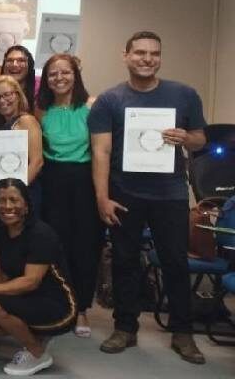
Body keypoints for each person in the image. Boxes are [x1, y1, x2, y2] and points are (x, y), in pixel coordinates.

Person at [88, 31, 207, 363]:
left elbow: (200, 139)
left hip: (170, 194)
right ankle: (125, 327)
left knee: (175, 262)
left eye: (154, 53)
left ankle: (183, 332)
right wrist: (102, 197)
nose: (147, 59)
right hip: (124, 193)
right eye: (140, 52)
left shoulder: (184, 94)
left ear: (160, 58)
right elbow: (101, 152)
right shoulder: (109, 100)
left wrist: (186, 138)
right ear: (125, 55)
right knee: (124, 261)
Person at [0, 178, 76, 376]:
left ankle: (37, 353)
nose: (7, 206)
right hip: (27, 298)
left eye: (14, 200)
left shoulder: (41, 234)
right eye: (1, 200)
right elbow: (2, 272)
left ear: (27, 205)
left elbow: (31, 282)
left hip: (59, 306)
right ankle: (37, 337)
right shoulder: (1, 232)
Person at [35, 53, 102, 338]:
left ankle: (82, 308)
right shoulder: (41, 111)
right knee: (56, 244)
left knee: (85, 246)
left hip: (85, 181)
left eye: (65, 72)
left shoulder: (93, 106)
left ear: (76, 75)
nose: (59, 78)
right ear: (46, 79)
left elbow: (101, 151)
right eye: (53, 74)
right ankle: (62, 304)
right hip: (52, 182)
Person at [0, 76, 44, 231]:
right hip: (2, 194)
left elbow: (37, 162)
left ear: (18, 95)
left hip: (23, 193)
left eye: (7, 95)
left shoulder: (26, 120)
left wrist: (17, 192)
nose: (2, 100)